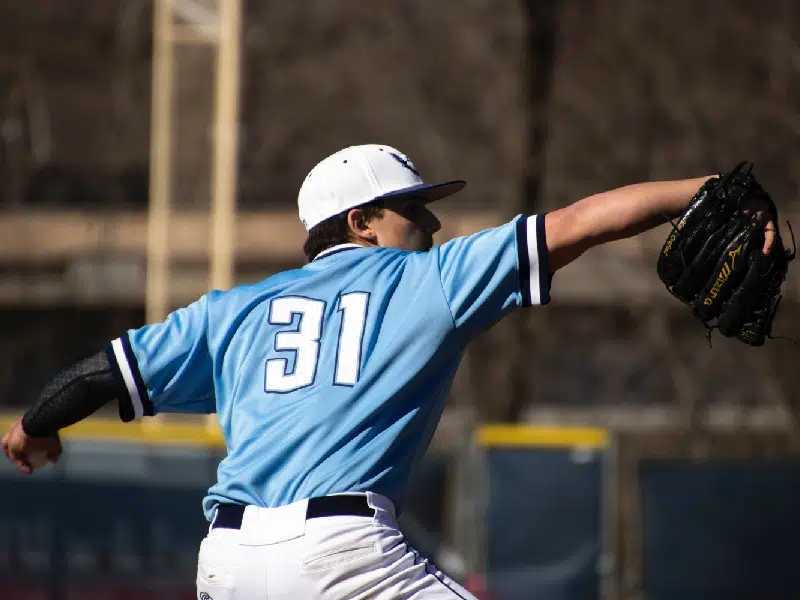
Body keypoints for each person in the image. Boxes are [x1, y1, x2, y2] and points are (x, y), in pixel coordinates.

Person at [2, 144, 776, 599]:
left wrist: (34, 429)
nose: (433, 223)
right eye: (413, 209)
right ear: (360, 222)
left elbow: (101, 374)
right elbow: (576, 224)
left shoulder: (230, 311)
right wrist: (700, 193)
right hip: (341, 556)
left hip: (228, 566)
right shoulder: (426, 282)